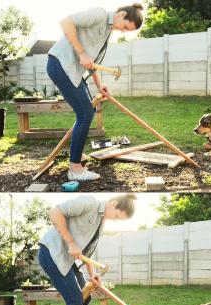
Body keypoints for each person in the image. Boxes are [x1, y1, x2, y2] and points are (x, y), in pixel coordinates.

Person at [38, 194, 137, 305]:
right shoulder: (89, 203)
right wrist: (70, 242)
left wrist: (92, 275)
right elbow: (54, 212)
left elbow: (86, 252)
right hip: (52, 254)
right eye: (116, 216)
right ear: (113, 203)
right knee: (75, 301)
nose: (113, 220)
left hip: (68, 261)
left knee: (85, 297)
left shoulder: (101, 221)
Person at [47, 4, 144, 181]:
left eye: (126, 31)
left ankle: (76, 157)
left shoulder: (107, 33)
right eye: (125, 27)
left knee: (88, 111)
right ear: (121, 14)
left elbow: (92, 64)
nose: (122, 31)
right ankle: (75, 168)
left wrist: (99, 86)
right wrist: (82, 53)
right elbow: (66, 22)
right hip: (60, 65)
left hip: (73, 72)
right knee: (84, 113)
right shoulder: (99, 14)